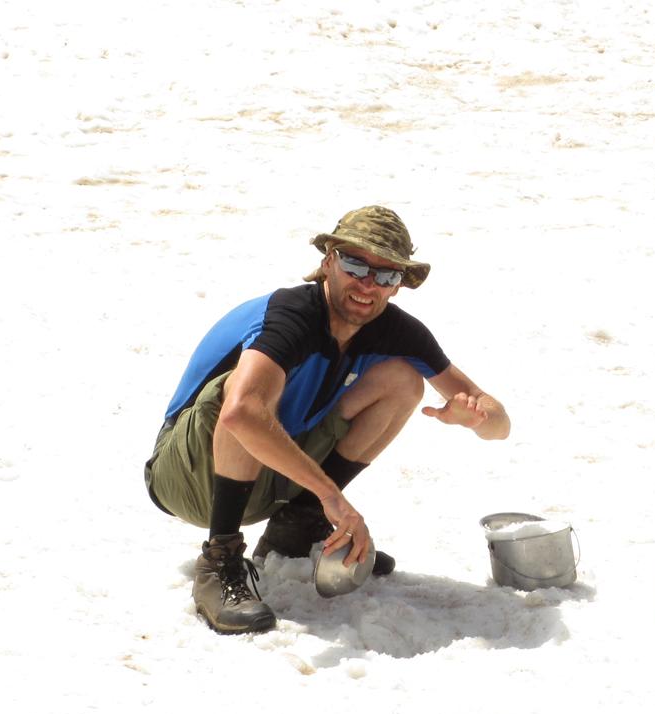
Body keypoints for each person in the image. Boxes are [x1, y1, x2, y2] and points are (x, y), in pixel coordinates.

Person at [144, 206, 510, 635]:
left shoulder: (397, 331)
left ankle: (296, 527)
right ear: (328, 262)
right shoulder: (290, 316)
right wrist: (331, 497)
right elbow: (241, 413)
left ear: (399, 285)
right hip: (185, 477)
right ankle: (219, 560)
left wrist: (476, 417)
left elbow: (499, 424)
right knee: (244, 397)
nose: (368, 284)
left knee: (403, 380)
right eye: (356, 265)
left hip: (267, 473)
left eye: (385, 274)